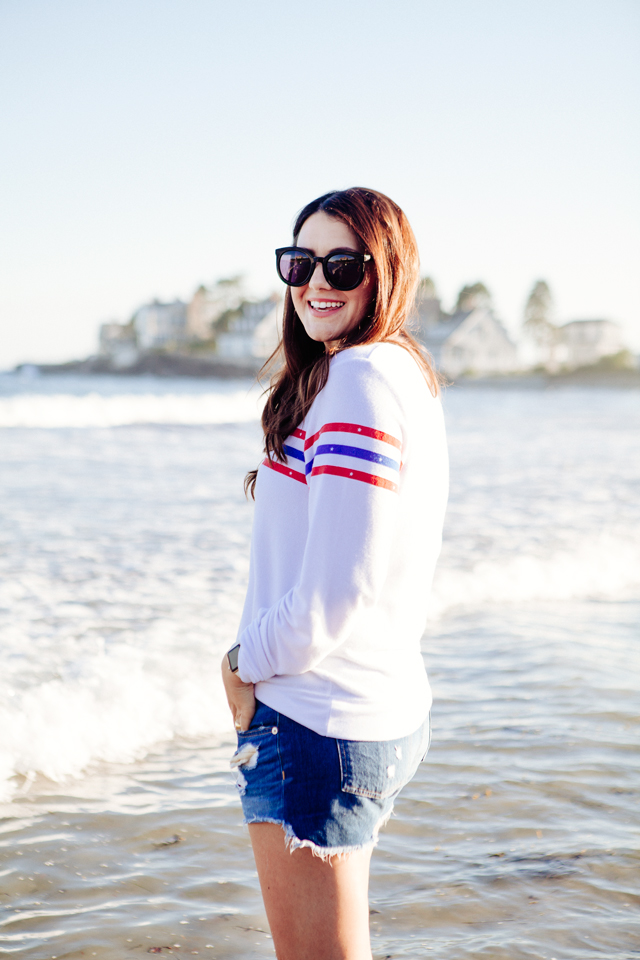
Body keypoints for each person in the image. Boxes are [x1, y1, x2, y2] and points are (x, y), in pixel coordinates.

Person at [222, 187, 448, 960]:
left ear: (385, 272)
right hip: (365, 710)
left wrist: (239, 668)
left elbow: (334, 595)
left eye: (342, 264)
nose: (316, 281)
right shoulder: (392, 370)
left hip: (319, 722)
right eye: (300, 262)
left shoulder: (358, 381)